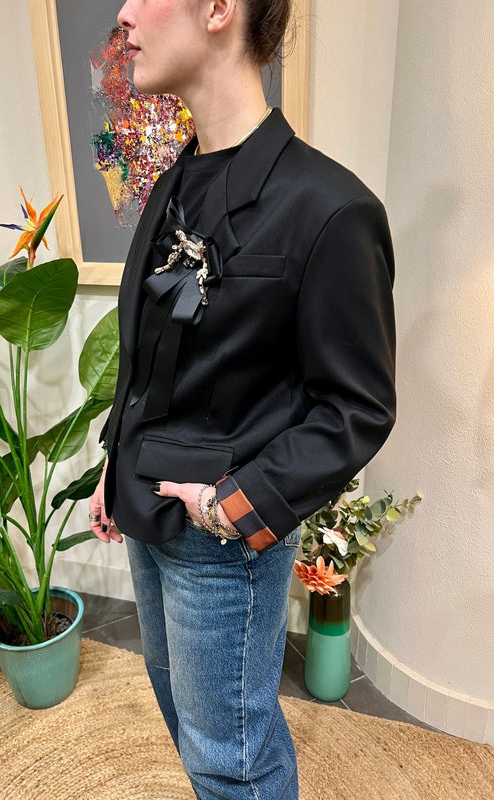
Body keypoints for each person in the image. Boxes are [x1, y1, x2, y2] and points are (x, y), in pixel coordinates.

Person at [88, 1, 396, 798]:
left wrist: (232, 505)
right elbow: (150, 356)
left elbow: (355, 406)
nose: (123, 13)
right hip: (146, 506)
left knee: (230, 760)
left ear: (220, 9)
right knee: (184, 723)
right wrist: (112, 464)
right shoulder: (172, 184)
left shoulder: (328, 208)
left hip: (220, 539)